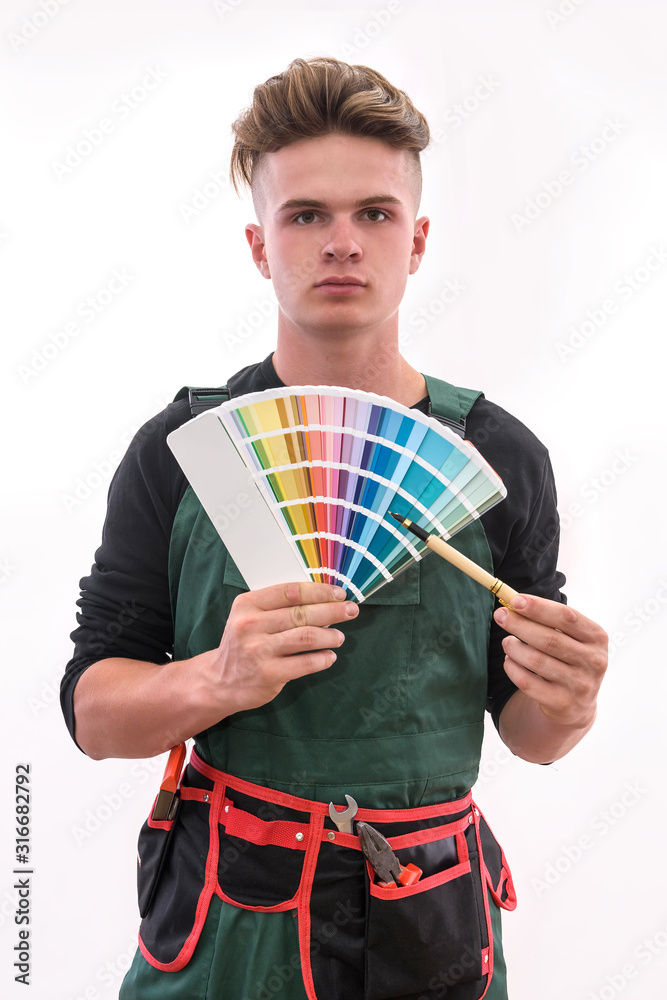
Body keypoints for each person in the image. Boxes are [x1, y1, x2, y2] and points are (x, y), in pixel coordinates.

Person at [60, 56, 608, 1000]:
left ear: (418, 240)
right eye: (305, 215)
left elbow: (533, 736)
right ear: (259, 247)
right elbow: (94, 717)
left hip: (434, 922)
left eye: (375, 213)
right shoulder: (187, 451)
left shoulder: (500, 456)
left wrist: (571, 700)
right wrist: (218, 679)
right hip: (227, 924)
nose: (342, 242)